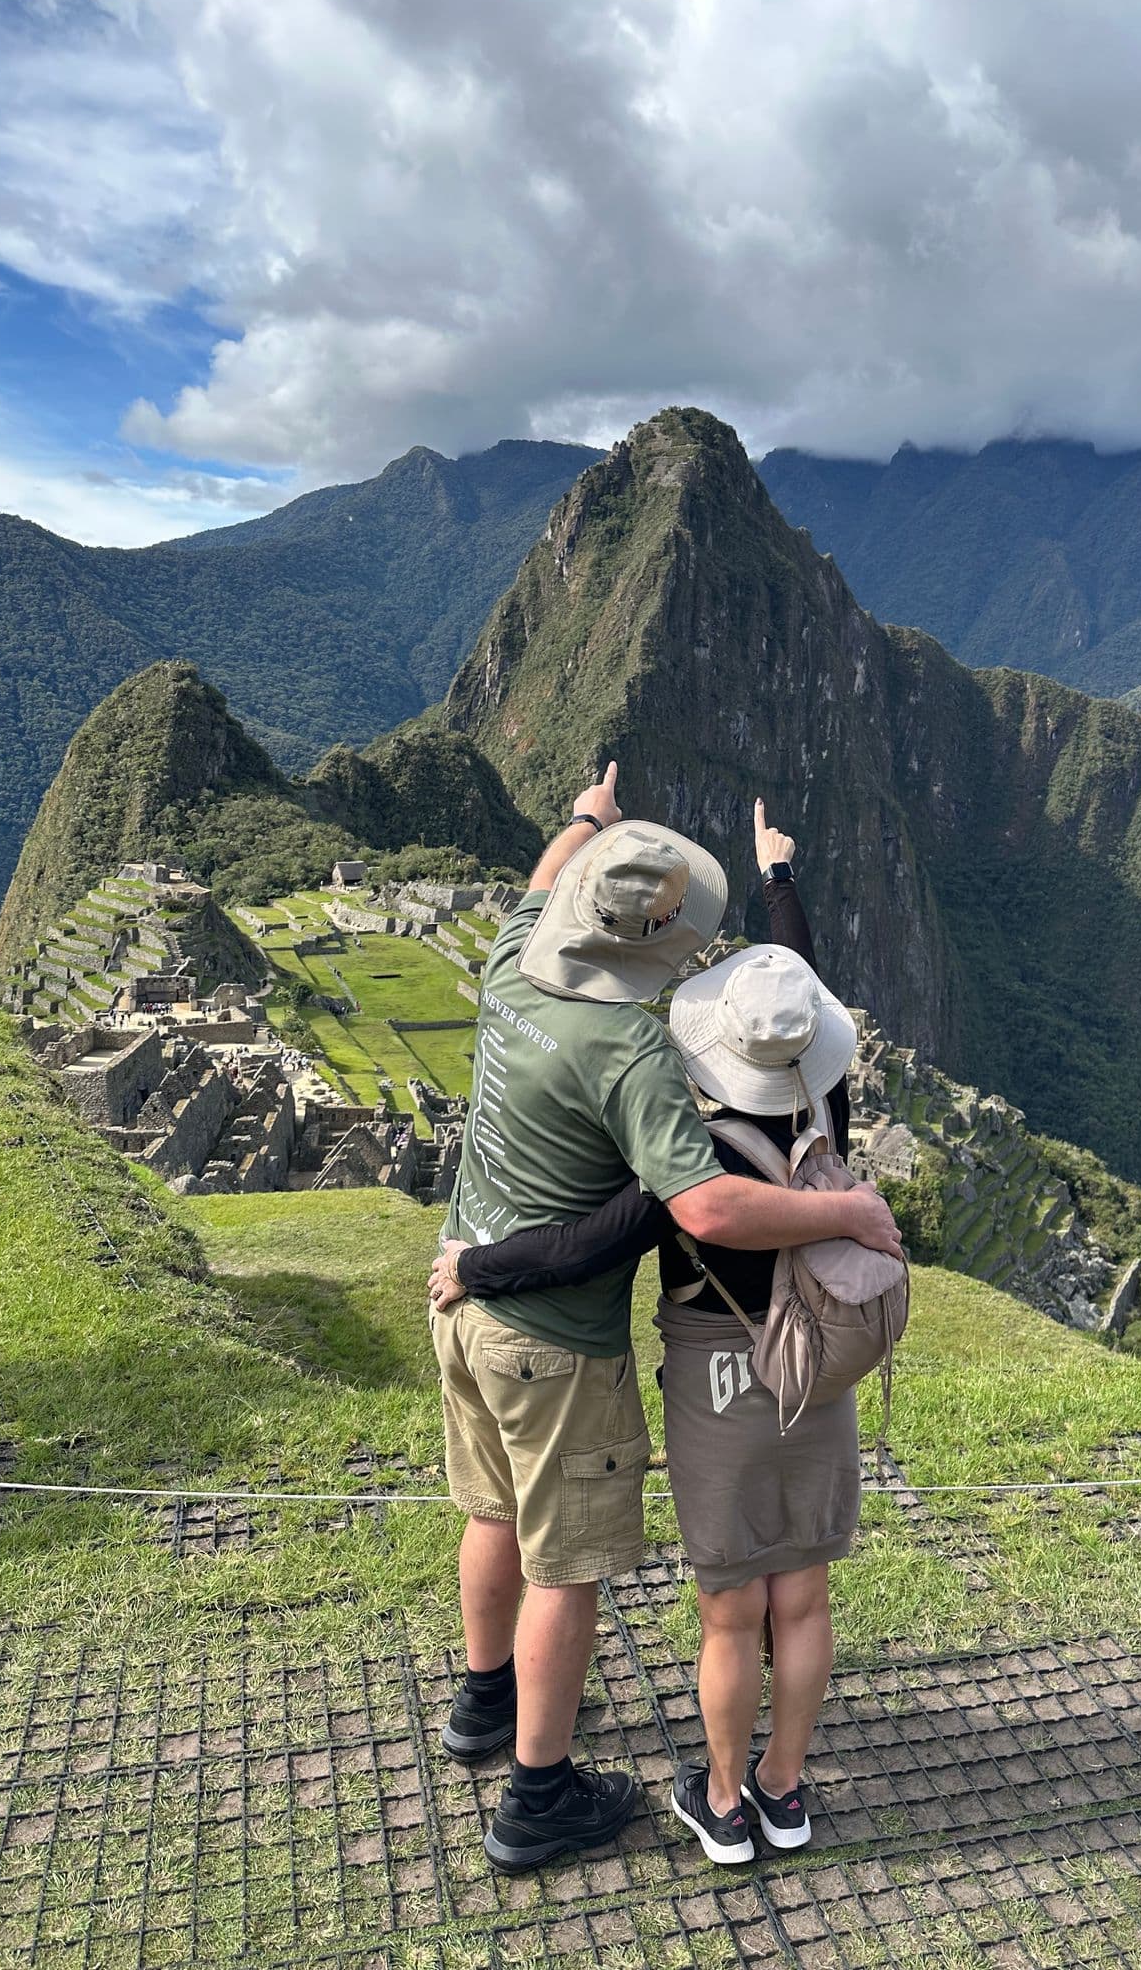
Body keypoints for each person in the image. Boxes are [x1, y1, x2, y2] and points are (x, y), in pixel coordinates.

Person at [427, 767, 902, 1877]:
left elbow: (551, 883)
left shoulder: (509, 958)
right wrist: (850, 1209)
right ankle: (541, 1794)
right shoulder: (648, 1063)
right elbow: (700, 1203)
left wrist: (589, 820)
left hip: (474, 1313)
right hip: (555, 1335)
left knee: (497, 1511)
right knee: (570, 1565)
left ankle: (482, 1702)